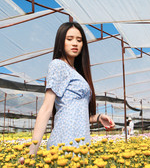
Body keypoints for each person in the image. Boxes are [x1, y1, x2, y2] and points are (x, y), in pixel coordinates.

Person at [29, 22, 115, 155]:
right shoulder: (58, 65)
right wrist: (31, 153)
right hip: (65, 140)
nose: (75, 43)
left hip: (81, 140)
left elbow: (74, 111)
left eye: (79, 40)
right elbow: (46, 108)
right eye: (69, 39)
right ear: (60, 42)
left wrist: (97, 118)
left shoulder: (77, 72)